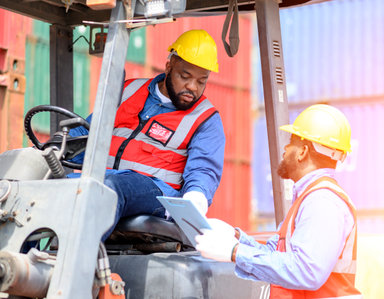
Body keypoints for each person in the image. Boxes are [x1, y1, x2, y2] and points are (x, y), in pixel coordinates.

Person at [69, 29, 225, 239]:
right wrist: (47, 152)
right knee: (43, 182)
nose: (192, 87)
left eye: (201, 81)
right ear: (169, 66)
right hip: (103, 179)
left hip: (156, 193)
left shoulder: (205, 119)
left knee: (110, 189)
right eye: (185, 76)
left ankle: (80, 267)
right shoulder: (128, 90)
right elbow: (87, 134)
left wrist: (195, 200)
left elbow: (203, 172)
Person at [195, 104, 362, 298]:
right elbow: (275, 255)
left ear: (303, 152)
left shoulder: (322, 201)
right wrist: (235, 236)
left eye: (291, 142)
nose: (285, 149)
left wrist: (235, 252)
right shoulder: (308, 197)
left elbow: (307, 272)